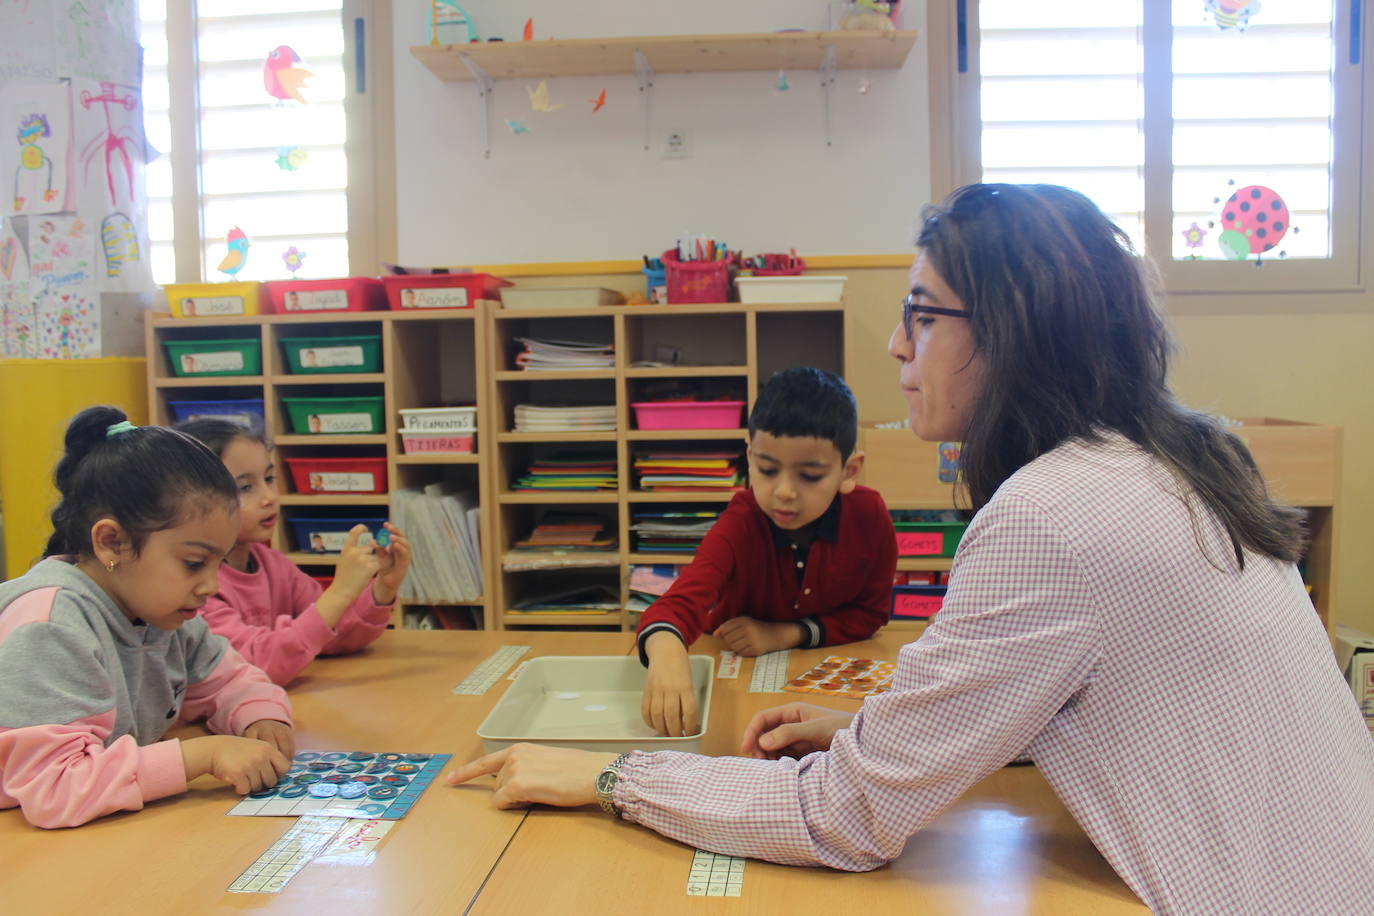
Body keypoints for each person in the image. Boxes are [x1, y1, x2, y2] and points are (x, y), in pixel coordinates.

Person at [449, 184, 1374, 913]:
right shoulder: (1189, 452)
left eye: (924, 316)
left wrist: (611, 775)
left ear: (1016, 332)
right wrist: (888, 733)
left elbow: (845, 819)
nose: (896, 345)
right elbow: (1123, 697)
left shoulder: (1054, 514)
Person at [0, 407, 295, 829]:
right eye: (194, 563)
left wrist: (259, 714)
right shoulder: (50, 626)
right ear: (112, 543)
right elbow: (56, 787)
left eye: (219, 562)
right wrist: (203, 756)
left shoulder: (162, 609)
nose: (211, 585)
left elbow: (228, 678)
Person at [636, 367, 897, 736]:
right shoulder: (741, 522)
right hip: (737, 677)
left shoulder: (870, 517)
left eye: (809, 476)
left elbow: (870, 615)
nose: (785, 491)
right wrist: (666, 649)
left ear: (848, 470)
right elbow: (679, 602)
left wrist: (786, 634)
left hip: (816, 691)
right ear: (750, 457)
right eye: (768, 469)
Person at [175, 419, 412, 685]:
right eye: (245, 487)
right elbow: (254, 665)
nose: (269, 497)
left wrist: (383, 589)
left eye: (268, 479)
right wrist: (341, 591)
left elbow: (334, 634)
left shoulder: (274, 565)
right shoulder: (197, 588)